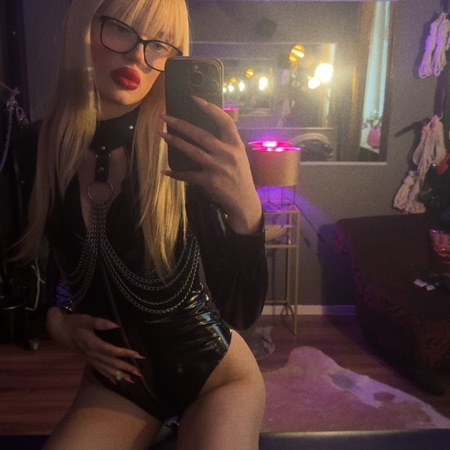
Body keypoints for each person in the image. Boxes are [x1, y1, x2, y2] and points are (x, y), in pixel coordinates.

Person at [18, 0, 268, 448]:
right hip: (120, 385)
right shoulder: (34, 149)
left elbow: (240, 314)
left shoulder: (180, 152)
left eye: (160, 45)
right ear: (83, 26)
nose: (138, 55)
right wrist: (53, 323)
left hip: (217, 379)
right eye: (121, 28)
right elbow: (22, 278)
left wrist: (246, 211)